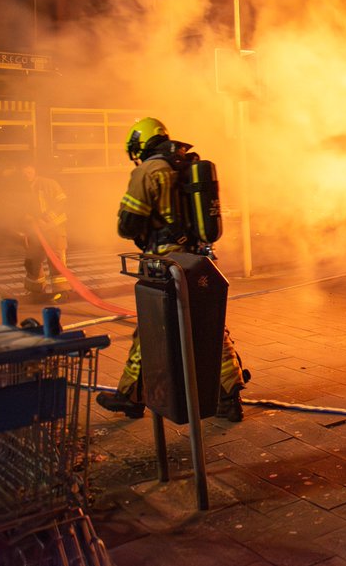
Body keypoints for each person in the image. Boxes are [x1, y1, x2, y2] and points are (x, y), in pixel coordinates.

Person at [96, 117, 247, 422]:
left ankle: (130, 396)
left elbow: (128, 224)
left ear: (141, 145)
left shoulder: (148, 171)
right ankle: (229, 397)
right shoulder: (187, 166)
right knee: (210, 326)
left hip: (165, 262)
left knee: (152, 328)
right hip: (197, 259)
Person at [21, 163, 70, 302]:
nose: (26, 176)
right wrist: (26, 219)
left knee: (56, 262)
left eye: (28, 172)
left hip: (54, 229)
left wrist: (46, 219)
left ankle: (62, 293)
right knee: (32, 262)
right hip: (34, 232)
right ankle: (35, 292)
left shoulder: (49, 184)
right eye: (23, 173)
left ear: (35, 170)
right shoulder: (22, 187)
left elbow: (62, 203)